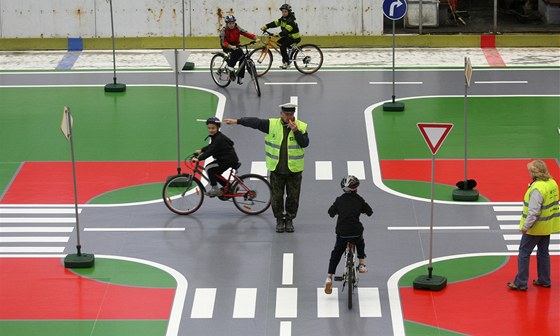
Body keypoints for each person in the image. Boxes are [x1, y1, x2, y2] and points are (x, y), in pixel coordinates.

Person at [224, 103, 309, 232]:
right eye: (287, 114)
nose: (289, 117)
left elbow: (305, 143)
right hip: (276, 169)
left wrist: (296, 131)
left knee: (293, 197)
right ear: (281, 114)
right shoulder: (272, 125)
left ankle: (290, 219)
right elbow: (255, 123)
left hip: (294, 171)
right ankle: (280, 220)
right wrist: (238, 121)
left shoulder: (301, 126)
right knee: (276, 197)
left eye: (291, 114)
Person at [508, 160, 560, 291]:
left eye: (530, 171)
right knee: (543, 252)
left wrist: (525, 227)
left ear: (535, 173)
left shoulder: (537, 189)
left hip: (535, 227)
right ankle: (544, 279)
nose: (529, 173)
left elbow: (533, 212)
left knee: (524, 253)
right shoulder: (552, 183)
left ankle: (521, 282)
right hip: (547, 225)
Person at [324, 175, 373, 294]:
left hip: (342, 233)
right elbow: (369, 212)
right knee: (360, 243)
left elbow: (330, 212)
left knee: (336, 253)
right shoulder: (359, 200)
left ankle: (329, 277)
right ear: (356, 188)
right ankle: (361, 264)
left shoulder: (339, 200)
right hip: (356, 232)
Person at [192, 117, 240, 197]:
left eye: (213, 128)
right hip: (228, 159)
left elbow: (211, 150)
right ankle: (230, 187)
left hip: (226, 160)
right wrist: (201, 150)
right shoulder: (217, 136)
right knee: (215, 173)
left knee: (209, 168)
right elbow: (211, 146)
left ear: (218, 128)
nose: (211, 130)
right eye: (209, 128)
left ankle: (215, 189)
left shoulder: (218, 139)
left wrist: (199, 158)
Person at [219, 15, 259, 85]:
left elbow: (245, 33)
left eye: (233, 23)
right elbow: (223, 42)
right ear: (227, 24)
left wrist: (255, 38)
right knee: (235, 53)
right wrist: (230, 46)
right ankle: (230, 67)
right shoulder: (224, 30)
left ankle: (240, 77)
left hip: (236, 45)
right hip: (226, 46)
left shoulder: (237, 28)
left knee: (243, 58)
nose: (232, 25)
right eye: (230, 23)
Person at [260, 4, 301, 69]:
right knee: (279, 43)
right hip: (288, 36)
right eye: (283, 12)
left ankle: (287, 62)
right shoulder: (283, 19)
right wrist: (266, 26)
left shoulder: (291, 21)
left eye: (285, 12)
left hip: (294, 38)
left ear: (289, 12)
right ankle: (289, 49)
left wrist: (276, 35)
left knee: (282, 47)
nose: (284, 13)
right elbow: (274, 23)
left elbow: (285, 32)